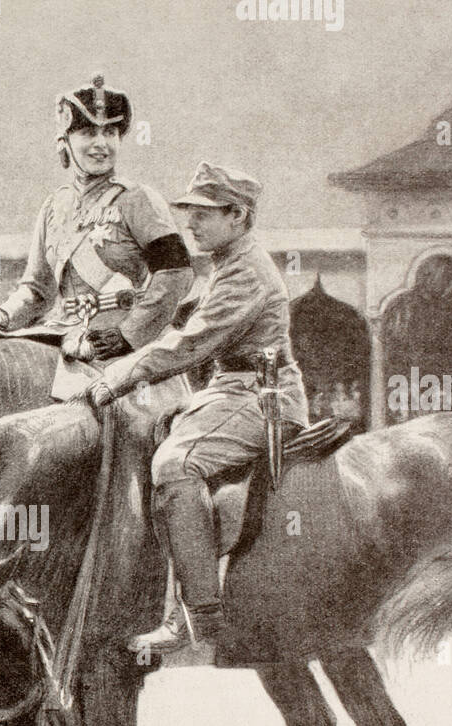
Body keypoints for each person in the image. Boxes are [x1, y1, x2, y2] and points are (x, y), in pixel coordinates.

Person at [83, 162, 310, 654]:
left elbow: (193, 343)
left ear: (239, 216)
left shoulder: (246, 271)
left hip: (259, 395)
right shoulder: (230, 261)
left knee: (174, 464)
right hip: (232, 388)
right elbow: (190, 319)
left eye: (204, 214)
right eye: (189, 212)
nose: (190, 224)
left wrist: (120, 377)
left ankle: (198, 616)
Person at [0, 75, 193, 370]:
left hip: (128, 354)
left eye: (111, 132)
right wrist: (2, 315)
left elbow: (176, 274)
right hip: (68, 342)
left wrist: (127, 335)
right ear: (64, 142)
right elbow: (37, 290)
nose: (101, 144)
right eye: (88, 132)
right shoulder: (53, 207)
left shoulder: (138, 200)